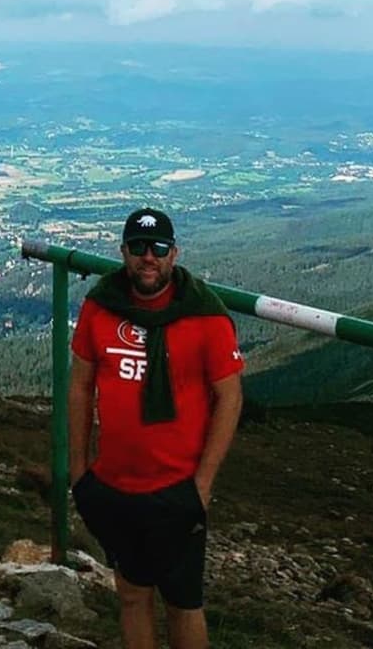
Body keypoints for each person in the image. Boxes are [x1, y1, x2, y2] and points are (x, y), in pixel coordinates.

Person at [68, 207, 244, 649]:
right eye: (138, 248)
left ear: (174, 253)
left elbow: (230, 397)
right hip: (114, 486)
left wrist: (202, 486)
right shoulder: (101, 306)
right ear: (124, 252)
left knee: (183, 603)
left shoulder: (205, 314)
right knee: (131, 594)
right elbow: (80, 386)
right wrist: (79, 472)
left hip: (176, 489)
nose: (149, 258)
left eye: (159, 248)